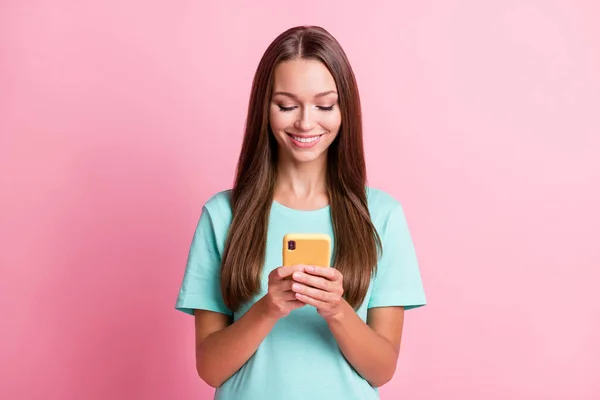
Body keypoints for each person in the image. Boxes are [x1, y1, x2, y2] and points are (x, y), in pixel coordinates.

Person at [175, 25, 426, 400]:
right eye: (287, 105)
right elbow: (210, 369)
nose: (306, 123)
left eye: (324, 105)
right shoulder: (222, 215)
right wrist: (267, 308)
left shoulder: (382, 215)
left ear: (344, 110)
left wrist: (337, 310)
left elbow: (382, 369)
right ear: (265, 108)